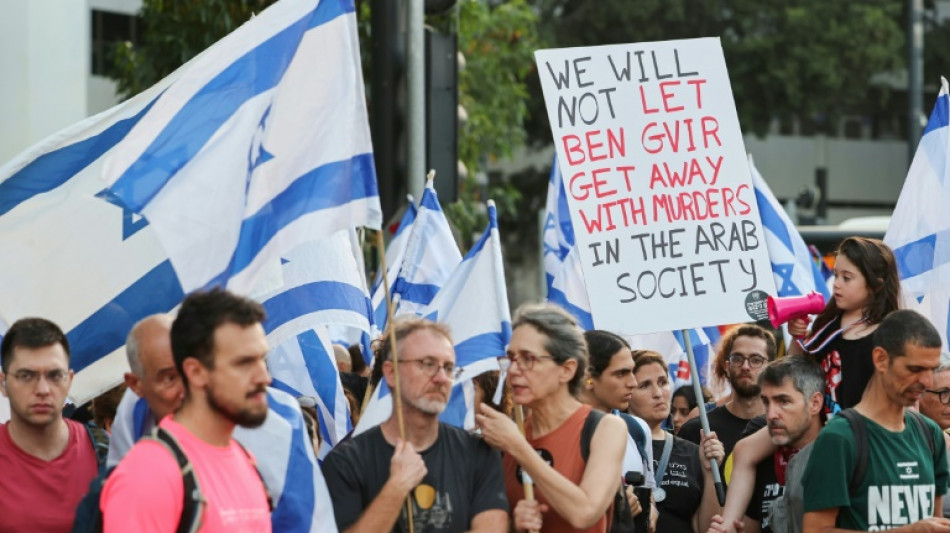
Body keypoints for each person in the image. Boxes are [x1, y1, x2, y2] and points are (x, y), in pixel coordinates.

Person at [101, 288, 273, 531]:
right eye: (243, 363)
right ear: (196, 372)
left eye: (262, 359)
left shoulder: (244, 458)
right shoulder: (149, 474)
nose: (263, 377)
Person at [321, 317, 509, 532]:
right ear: (391, 373)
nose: (441, 378)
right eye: (427, 364)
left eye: (448, 368)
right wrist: (395, 489)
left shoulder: (479, 454)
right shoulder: (345, 462)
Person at [476, 304, 627, 533]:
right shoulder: (505, 437)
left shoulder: (604, 428)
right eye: (511, 358)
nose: (514, 370)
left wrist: (519, 448)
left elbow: (585, 512)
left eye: (528, 359)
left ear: (566, 370)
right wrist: (513, 525)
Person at [802, 309, 950, 531]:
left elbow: (936, 524)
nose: (926, 381)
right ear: (881, 359)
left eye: (931, 370)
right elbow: (815, 529)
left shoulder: (930, 434)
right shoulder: (839, 438)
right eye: (915, 369)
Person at [0, 318, 100, 532]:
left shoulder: (104, 452)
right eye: (26, 376)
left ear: (70, 380)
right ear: (4, 384)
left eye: (55, 375)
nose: (43, 389)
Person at [708, 356, 825, 533]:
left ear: (815, 403)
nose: (771, 414)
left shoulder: (842, 456)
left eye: (783, 401)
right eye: (766, 402)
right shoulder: (759, 459)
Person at [789, 236, 901, 415]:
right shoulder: (827, 323)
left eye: (847, 278)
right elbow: (795, 372)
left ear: (876, 285)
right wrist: (797, 338)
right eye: (836, 275)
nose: (836, 284)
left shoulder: (889, 336)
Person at [628, 348, 724, 532]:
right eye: (644, 385)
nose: (658, 393)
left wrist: (710, 472)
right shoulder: (616, 443)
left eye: (663, 382)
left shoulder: (694, 451)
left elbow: (707, 528)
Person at [581, 329, 657, 531]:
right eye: (621, 373)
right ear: (588, 377)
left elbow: (649, 492)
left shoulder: (637, 429)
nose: (632, 382)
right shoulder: (560, 431)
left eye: (632, 371)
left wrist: (650, 509)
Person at [679, 325, 777, 471]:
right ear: (727, 366)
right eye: (737, 359)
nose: (745, 366)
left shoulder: (782, 427)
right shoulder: (699, 428)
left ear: (771, 368)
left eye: (756, 360)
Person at [106, 313, 184, 468]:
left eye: (190, 372)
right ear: (136, 385)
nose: (186, 391)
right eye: (169, 378)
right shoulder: (132, 412)